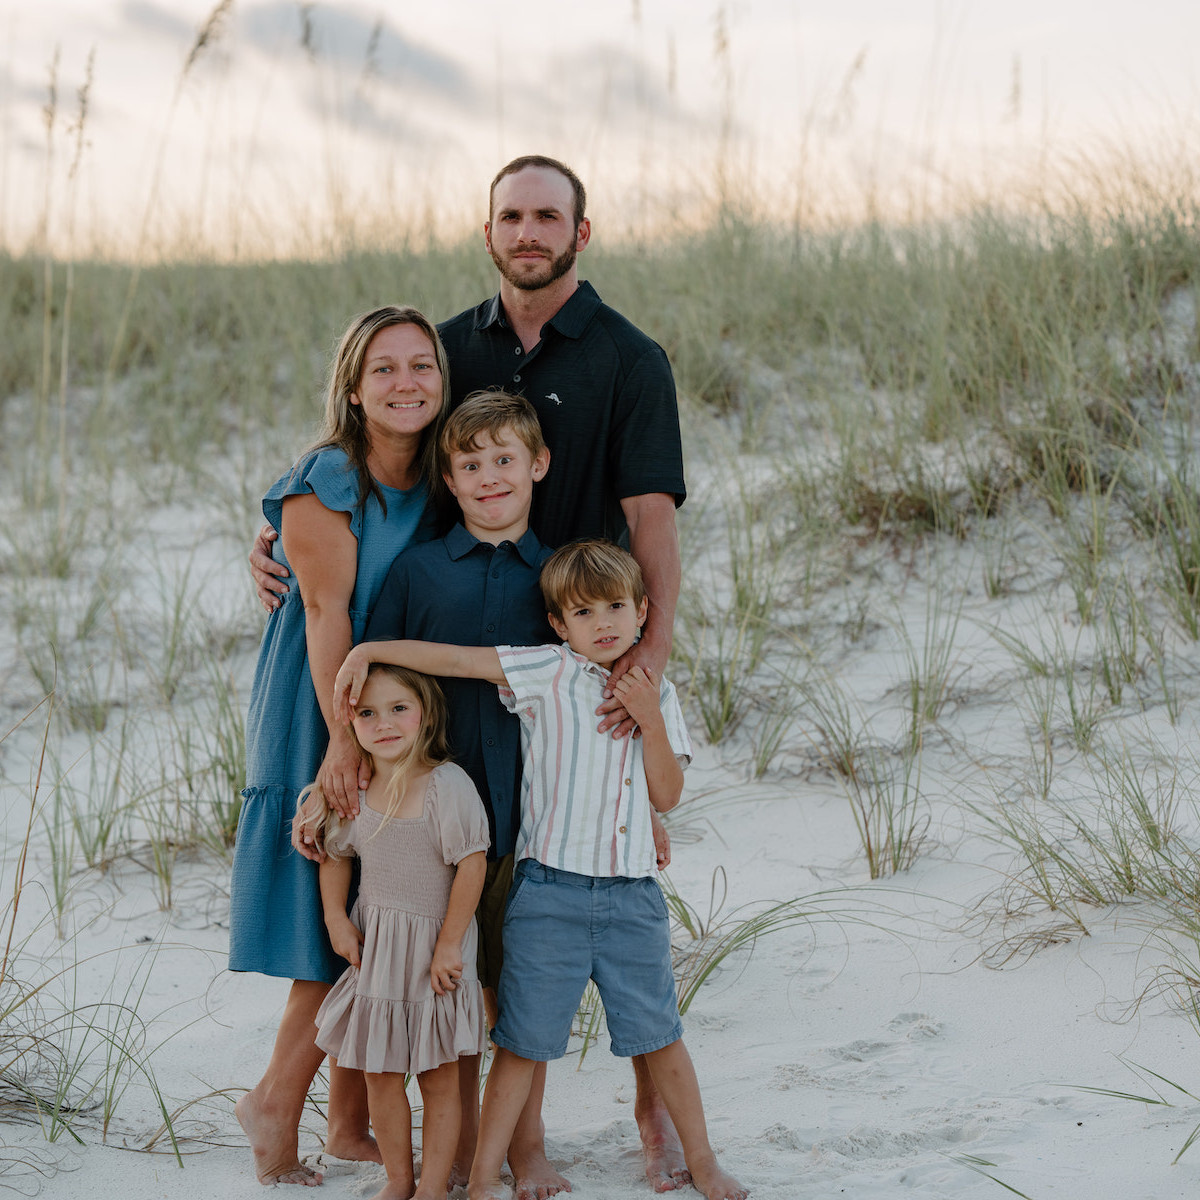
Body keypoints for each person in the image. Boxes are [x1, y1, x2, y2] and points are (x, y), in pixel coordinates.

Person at [252, 155, 691, 1190]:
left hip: (572, 655)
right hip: (437, 676)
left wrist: (642, 673)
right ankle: (367, 1128)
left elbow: (652, 523)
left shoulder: (631, 359)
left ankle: (575, 1126)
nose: (528, 231)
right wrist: (278, 531)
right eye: (511, 215)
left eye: (548, 215)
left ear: (582, 231)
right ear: (487, 230)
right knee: (402, 909)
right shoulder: (447, 346)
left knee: (528, 922)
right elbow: (362, 455)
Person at [331, 540, 749, 1200]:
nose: (603, 622)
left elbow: (666, 795)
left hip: (632, 896)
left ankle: (704, 1163)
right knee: (524, 1045)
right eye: (584, 613)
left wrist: (648, 721)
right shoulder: (546, 671)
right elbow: (454, 660)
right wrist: (369, 652)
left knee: (661, 1036)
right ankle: (483, 1181)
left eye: (616, 606)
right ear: (559, 625)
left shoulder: (656, 692)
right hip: (548, 892)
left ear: (643, 611)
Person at [230, 305, 450, 1186]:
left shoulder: (435, 473)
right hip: (321, 703)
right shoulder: (326, 477)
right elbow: (326, 615)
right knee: (342, 920)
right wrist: (339, 745)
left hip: (390, 707)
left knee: (378, 905)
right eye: (385, 370)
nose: (406, 384)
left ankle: (349, 1122)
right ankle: (276, 1104)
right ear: (354, 391)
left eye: (422, 367)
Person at [301, 664, 489, 1200]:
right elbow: (335, 855)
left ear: (424, 714)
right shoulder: (355, 787)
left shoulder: (446, 784)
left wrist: (451, 943)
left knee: (438, 1076)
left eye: (398, 708)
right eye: (366, 713)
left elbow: (470, 866)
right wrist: (337, 919)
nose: (384, 723)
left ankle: (432, 1185)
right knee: (378, 1074)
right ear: (350, 724)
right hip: (378, 952)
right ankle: (398, 1178)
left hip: (436, 951)